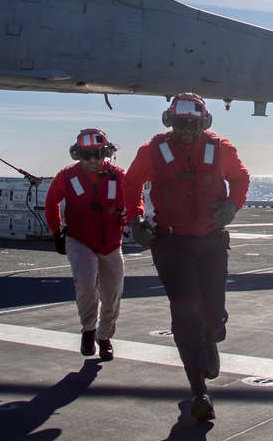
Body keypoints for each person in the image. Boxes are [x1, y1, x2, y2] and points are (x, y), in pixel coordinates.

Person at [123, 93, 250, 422]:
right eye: (181, 124)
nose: (187, 131)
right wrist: (135, 219)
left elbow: (240, 178)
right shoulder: (153, 150)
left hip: (210, 242)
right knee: (185, 312)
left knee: (213, 313)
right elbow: (131, 183)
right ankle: (198, 389)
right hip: (171, 242)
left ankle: (212, 336)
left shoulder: (220, 148)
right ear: (170, 122)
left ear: (203, 123)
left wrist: (232, 205)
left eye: (193, 124)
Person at [45, 128, 128, 361]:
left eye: (98, 154)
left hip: (111, 243)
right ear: (77, 155)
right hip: (79, 241)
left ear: (107, 153)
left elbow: (134, 200)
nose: (92, 160)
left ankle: (104, 336)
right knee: (86, 286)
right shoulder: (67, 176)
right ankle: (88, 331)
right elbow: (52, 202)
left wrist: (130, 215)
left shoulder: (118, 175)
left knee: (112, 295)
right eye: (87, 155)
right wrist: (56, 232)